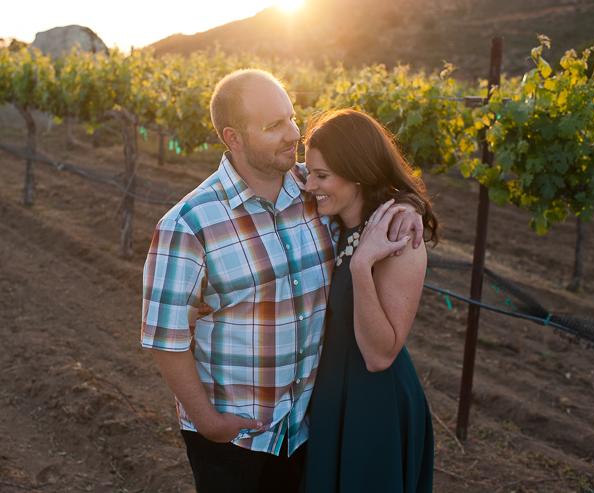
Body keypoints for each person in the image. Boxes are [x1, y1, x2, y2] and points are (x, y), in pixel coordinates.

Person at [141, 70, 423, 493]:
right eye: (274, 126)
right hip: (236, 437)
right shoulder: (189, 224)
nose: (293, 133)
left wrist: (409, 205)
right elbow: (165, 338)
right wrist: (209, 422)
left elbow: (369, 182)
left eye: (291, 117)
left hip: (310, 429)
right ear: (233, 138)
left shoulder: (316, 191)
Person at [302, 109, 437, 492]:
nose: (308, 184)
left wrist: (362, 266)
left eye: (321, 176)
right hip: (332, 394)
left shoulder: (399, 239)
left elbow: (380, 356)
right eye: (310, 171)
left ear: (358, 171)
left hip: (373, 405)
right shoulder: (332, 218)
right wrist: (413, 201)